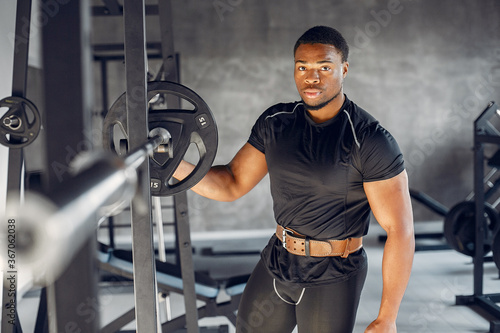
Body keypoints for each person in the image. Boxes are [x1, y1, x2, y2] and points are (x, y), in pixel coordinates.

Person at [174, 26, 414, 333]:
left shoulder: (368, 140)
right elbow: (231, 183)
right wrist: (172, 165)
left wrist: (387, 318)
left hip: (334, 273)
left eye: (324, 68)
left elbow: (400, 230)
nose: (311, 78)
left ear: (344, 69)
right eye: (302, 67)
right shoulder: (276, 123)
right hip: (278, 259)